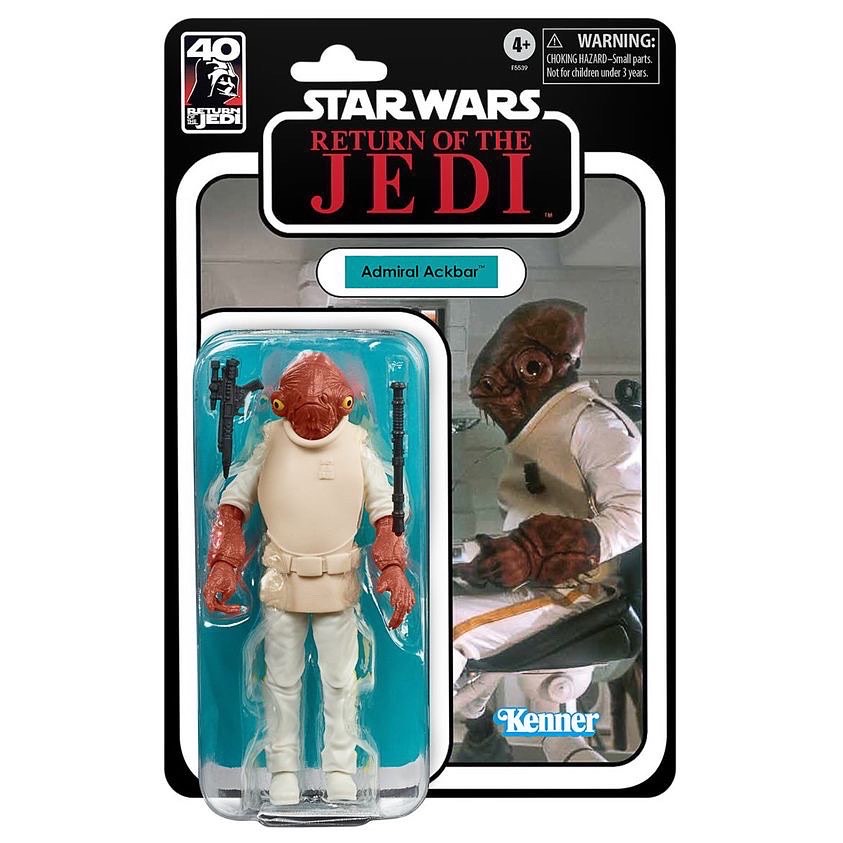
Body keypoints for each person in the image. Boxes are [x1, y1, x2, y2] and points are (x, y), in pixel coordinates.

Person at [203, 351, 414, 803]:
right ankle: (282, 771)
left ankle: (340, 770)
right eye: (300, 407)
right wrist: (224, 561)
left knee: (341, 682)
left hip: (338, 584)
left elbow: (387, 512)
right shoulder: (270, 443)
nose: (314, 421)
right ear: (280, 405)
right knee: (281, 682)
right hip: (282, 582)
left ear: (345, 404)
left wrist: (394, 567)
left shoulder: (356, 445)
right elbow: (232, 504)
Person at [453, 299, 642, 761]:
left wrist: (536, 553)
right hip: (540, 583)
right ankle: (477, 722)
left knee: (441, 627)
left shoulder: (594, 423)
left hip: (579, 591)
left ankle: (401, 755)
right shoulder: (544, 433)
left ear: (536, 368)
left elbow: (638, 513)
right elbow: (527, 524)